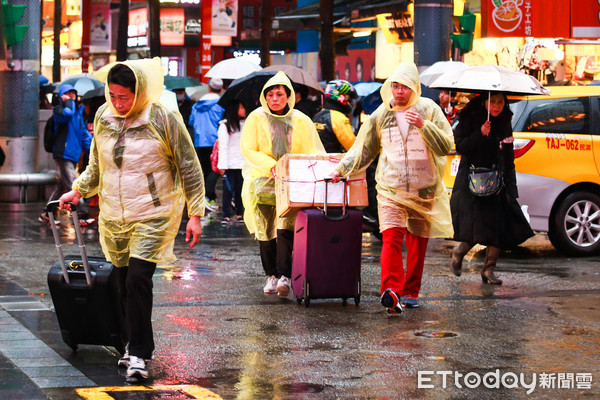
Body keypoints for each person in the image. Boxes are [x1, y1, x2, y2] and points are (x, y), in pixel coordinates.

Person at [58, 58, 205, 380]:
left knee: (139, 279)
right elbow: (96, 165)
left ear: (138, 92)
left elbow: (189, 166)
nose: (118, 102)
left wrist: (195, 213)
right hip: (114, 216)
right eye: (112, 95)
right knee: (122, 283)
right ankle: (129, 344)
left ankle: (139, 352)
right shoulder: (103, 115)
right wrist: (78, 191)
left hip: (154, 213)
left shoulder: (163, 118)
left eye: (124, 96)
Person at [330, 62, 454, 313]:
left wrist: (423, 125)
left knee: (417, 244)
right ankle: (392, 291)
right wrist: (340, 169)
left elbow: (447, 146)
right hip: (391, 190)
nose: (399, 91)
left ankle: (411, 292)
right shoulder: (381, 114)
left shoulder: (429, 110)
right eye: (395, 86)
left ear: (415, 88)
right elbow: (363, 149)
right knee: (391, 239)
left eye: (405, 87)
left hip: (424, 189)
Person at [240, 71, 325, 297]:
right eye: (270, 94)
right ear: (264, 97)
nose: (275, 98)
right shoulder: (256, 118)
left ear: (289, 96)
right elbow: (248, 148)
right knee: (265, 231)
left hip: (291, 181)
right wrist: (271, 165)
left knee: (285, 228)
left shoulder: (301, 120)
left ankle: (285, 275)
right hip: (263, 181)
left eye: (279, 94)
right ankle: (271, 275)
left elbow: (313, 150)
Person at [449, 93, 533, 285]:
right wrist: (480, 133)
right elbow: (461, 147)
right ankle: (459, 252)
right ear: (484, 102)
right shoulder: (470, 118)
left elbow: (509, 157)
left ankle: (488, 270)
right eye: (492, 101)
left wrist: (511, 187)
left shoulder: (504, 121)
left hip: (499, 182)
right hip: (474, 182)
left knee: (499, 227)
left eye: (500, 102)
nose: (496, 106)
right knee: (480, 227)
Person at [40, 84, 94, 226]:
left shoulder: (78, 113)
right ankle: (82, 213)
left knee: (62, 186)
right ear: (62, 95)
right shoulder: (59, 111)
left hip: (74, 154)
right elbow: (68, 113)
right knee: (73, 184)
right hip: (63, 154)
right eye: (68, 94)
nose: (71, 96)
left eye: (73, 94)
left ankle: (47, 213)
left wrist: (92, 149)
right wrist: (68, 102)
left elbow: (83, 134)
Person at [190, 77, 225, 212]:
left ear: (209, 88)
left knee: (205, 169)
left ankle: (208, 196)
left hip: (200, 141)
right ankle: (207, 195)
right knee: (215, 169)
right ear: (221, 90)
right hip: (215, 141)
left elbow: (192, 122)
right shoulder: (220, 105)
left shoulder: (196, 105)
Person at [217, 98, 246, 223]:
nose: (243, 110)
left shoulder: (245, 124)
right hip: (229, 164)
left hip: (242, 163)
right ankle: (226, 214)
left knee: (241, 190)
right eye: (241, 108)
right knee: (228, 191)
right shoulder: (225, 126)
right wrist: (222, 165)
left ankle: (240, 213)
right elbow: (222, 146)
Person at [313, 79, 357, 153]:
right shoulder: (339, 119)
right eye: (349, 97)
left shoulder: (317, 115)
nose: (351, 101)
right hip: (334, 162)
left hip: (316, 161)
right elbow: (354, 148)